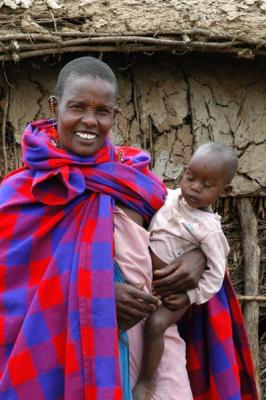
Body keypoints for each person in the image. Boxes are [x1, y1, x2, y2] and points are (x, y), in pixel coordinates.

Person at [0, 56, 257, 400]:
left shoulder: (134, 180)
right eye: (77, 107)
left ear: (115, 116)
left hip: (149, 345)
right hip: (63, 351)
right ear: (54, 105)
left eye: (102, 111)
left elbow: (179, 229)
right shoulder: (20, 193)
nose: (89, 121)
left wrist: (198, 258)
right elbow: (12, 293)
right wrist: (96, 295)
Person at [131, 142, 238, 399]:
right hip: (150, 281)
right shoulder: (169, 197)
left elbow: (215, 272)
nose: (195, 187)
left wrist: (190, 297)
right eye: (191, 177)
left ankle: (146, 380)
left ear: (224, 191)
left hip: (175, 295)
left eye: (207, 185)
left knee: (156, 324)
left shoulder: (209, 229)